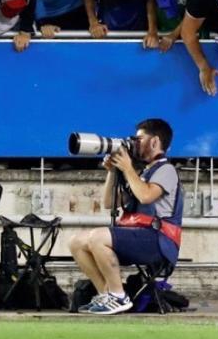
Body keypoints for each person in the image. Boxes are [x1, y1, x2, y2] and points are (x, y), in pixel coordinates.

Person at [68, 118, 182, 315]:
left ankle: (119, 296)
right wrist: (113, 172)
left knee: (98, 237)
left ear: (154, 142)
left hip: (159, 241)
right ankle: (107, 294)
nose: (133, 144)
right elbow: (109, 203)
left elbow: (146, 196)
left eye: (139, 139)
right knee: (76, 242)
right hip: (137, 236)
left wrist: (128, 169)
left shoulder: (166, 170)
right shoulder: (143, 173)